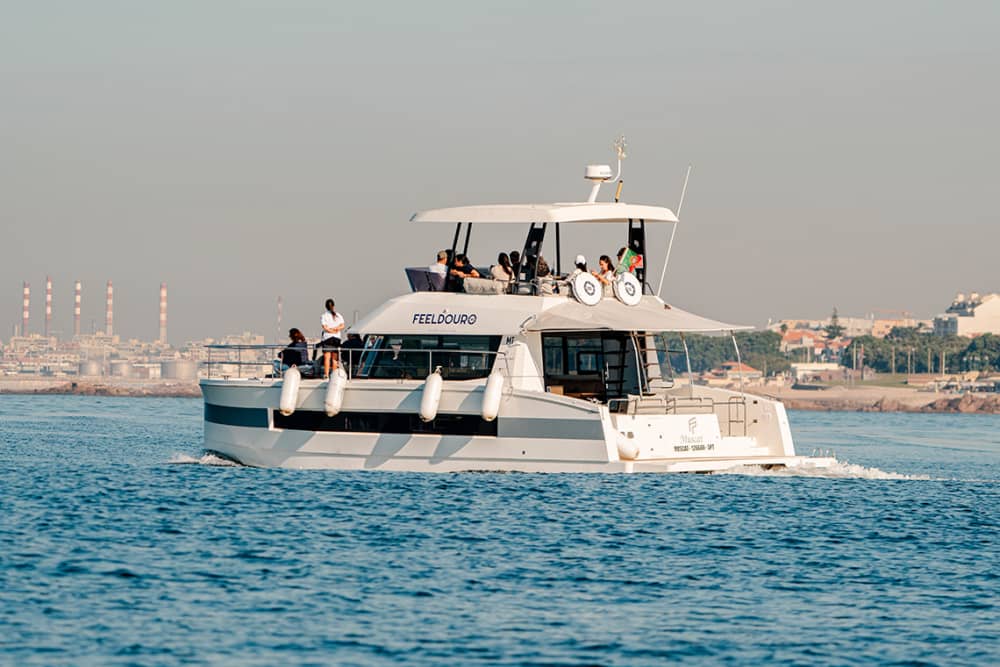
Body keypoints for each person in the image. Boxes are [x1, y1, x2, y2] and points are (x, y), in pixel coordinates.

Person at [320, 298, 346, 378]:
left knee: (327, 358)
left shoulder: (324, 316)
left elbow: (324, 327)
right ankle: (334, 375)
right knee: (335, 358)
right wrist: (336, 329)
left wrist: (331, 331)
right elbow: (342, 325)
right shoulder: (338, 315)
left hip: (328, 338)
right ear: (333, 306)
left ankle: (326, 374)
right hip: (336, 338)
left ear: (325, 306)